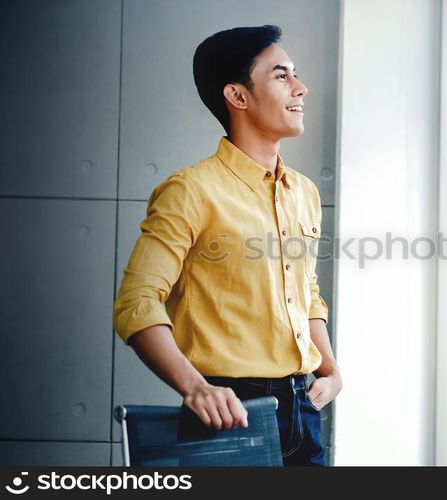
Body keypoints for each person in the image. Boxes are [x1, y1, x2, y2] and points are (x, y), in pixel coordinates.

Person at [112, 25, 342, 466]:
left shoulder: (304, 193)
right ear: (238, 96)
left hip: (304, 409)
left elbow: (306, 292)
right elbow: (136, 303)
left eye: (295, 74)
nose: (301, 87)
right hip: (228, 413)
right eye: (282, 75)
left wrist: (330, 369)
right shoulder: (190, 190)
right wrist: (195, 387)